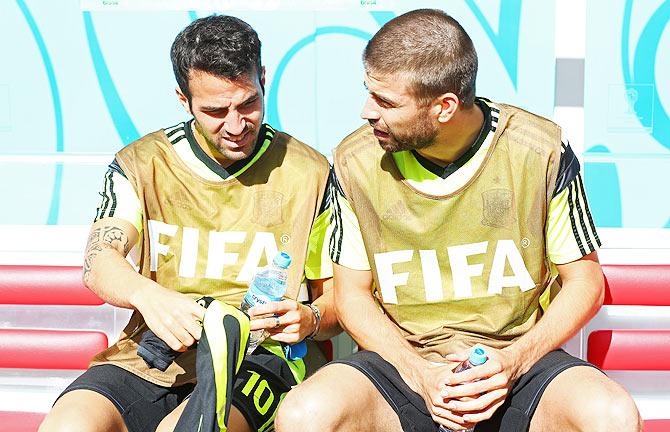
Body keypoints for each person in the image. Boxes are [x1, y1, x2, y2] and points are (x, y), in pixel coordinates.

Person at [276, 9, 642, 432]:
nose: (366, 112)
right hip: (401, 363)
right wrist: (417, 371)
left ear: (445, 107)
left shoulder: (539, 149)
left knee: (611, 415)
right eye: (369, 93)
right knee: (306, 414)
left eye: (386, 102)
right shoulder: (355, 161)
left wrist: (513, 360)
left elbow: (585, 282)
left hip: (517, 361)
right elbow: (352, 295)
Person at [39, 15, 339, 432]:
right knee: (67, 426)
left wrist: (308, 318)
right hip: (151, 354)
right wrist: (149, 296)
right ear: (183, 100)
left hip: (260, 358)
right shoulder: (141, 163)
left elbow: (338, 302)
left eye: (248, 103)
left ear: (264, 79)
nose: (236, 125)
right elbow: (98, 260)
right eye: (215, 111)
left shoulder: (310, 172)